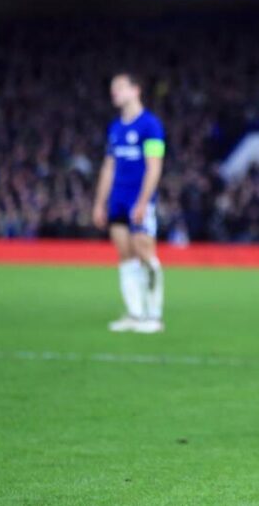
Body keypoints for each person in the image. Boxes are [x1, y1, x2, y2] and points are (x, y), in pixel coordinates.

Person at [92, 72, 166, 334]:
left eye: (120, 87)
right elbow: (109, 167)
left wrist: (144, 202)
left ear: (136, 90)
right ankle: (135, 313)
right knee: (125, 255)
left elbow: (154, 166)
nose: (115, 92)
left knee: (145, 252)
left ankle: (154, 316)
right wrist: (100, 202)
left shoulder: (151, 125)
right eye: (113, 88)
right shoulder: (115, 127)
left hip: (139, 199)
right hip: (117, 200)